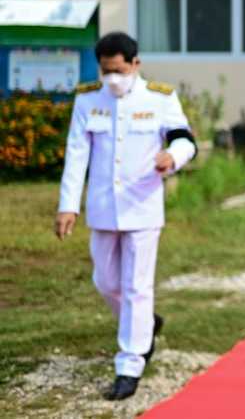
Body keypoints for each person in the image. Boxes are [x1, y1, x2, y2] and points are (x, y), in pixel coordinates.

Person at [54, 32, 197, 401]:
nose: (112, 79)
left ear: (135, 64)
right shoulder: (88, 100)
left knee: (137, 285)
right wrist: (68, 204)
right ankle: (145, 323)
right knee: (105, 282)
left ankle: (130, 363)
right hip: (103, 208)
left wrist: (173, 157)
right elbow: (76, 154)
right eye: (105, 71)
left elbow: (185, 139)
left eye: (118, 70)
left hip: (143, 206)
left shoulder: (160, 99)